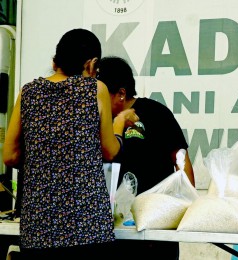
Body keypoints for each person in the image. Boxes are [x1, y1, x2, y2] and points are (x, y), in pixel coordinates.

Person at [3, 28, 138, 260]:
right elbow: (110, 151)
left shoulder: (28, 93)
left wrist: (46, 154)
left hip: (38, 230)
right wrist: (119, 124)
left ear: (56, 60)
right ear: (92, 64)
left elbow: (10, 156)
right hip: (87, 229)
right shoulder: (95, 90)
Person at [97, 55, 195, 259]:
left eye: (102, 97)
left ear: (121, 93)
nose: (97, 103)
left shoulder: (156, 113)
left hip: (154, 229)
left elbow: (181, 160)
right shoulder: (98, 122)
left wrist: (189, 206)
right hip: (112, 231)